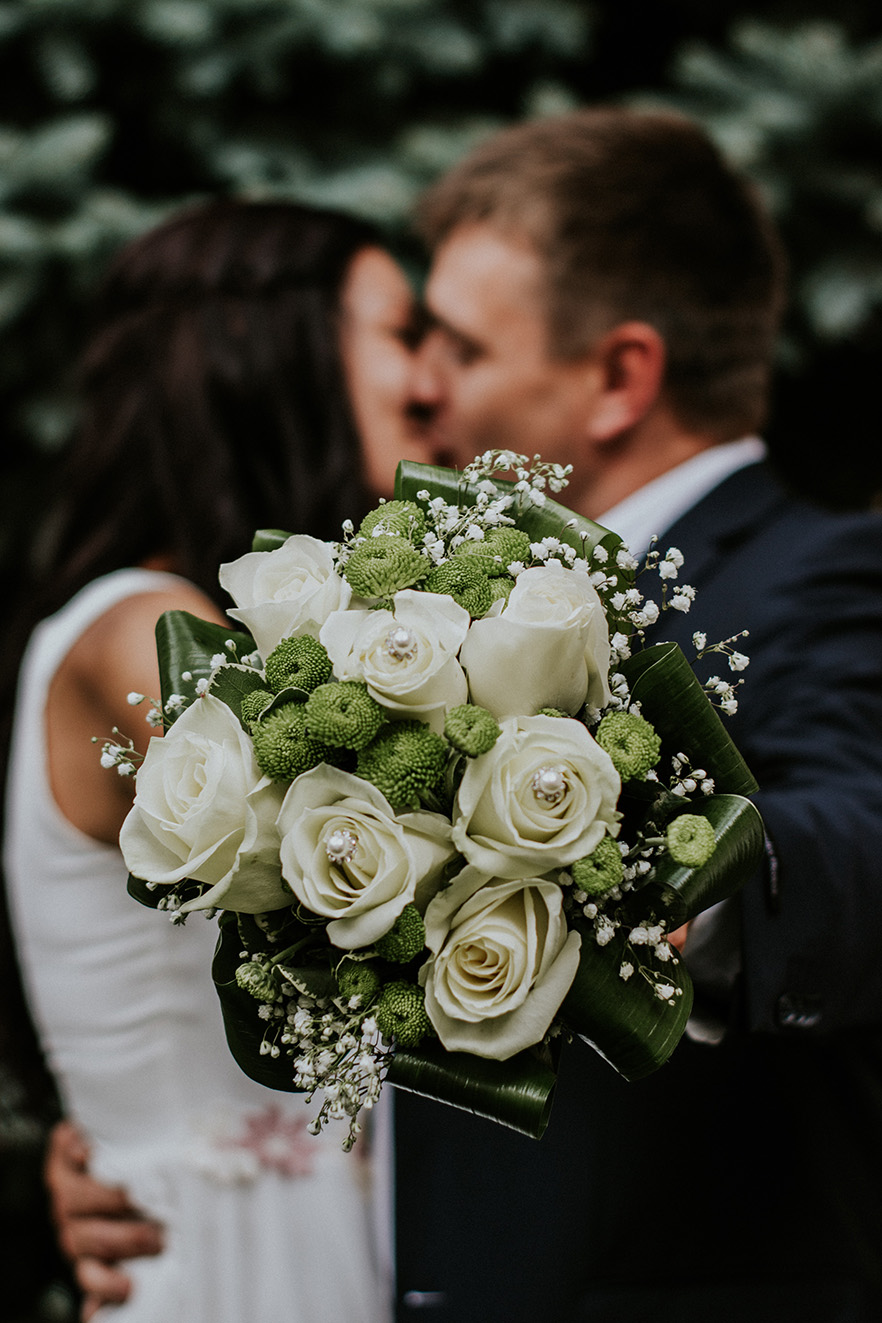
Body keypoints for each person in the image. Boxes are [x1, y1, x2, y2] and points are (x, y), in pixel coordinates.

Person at [46, 109, 882, 1323]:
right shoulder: (427, 613)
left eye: (463, 346)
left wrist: (658, 879)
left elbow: (857, 831)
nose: (422, 385)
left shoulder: (825, 576)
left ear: (618, 378)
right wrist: (157, 1148)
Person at [2, 196, 436, 1323]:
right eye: (400, 332)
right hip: (224, 1263)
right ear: (271, 351)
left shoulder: (206, 632)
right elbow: (365, 863)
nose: (433, 378)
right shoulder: (140, 631)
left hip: (311, 1237)